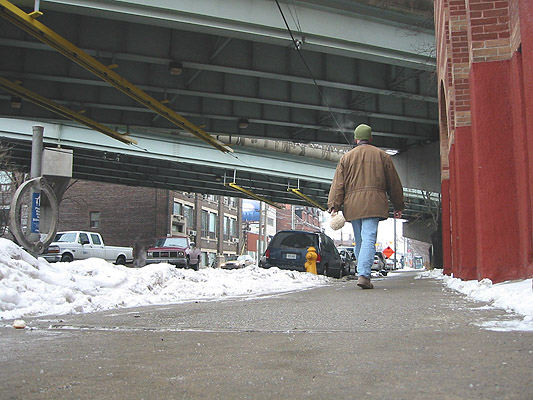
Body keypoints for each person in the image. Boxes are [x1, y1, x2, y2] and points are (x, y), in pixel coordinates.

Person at [327, 124, 404, 289]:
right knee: (369, 237)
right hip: (374, 203)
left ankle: (362, 271)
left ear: (356, 139)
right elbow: (394, 184)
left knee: (360, 240)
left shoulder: (346, 158)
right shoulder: (383, 156)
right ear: (370, 138)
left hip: (353, 205)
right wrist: (398, 205)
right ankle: (364, 275)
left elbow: (338, 184)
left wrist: (334, 205)